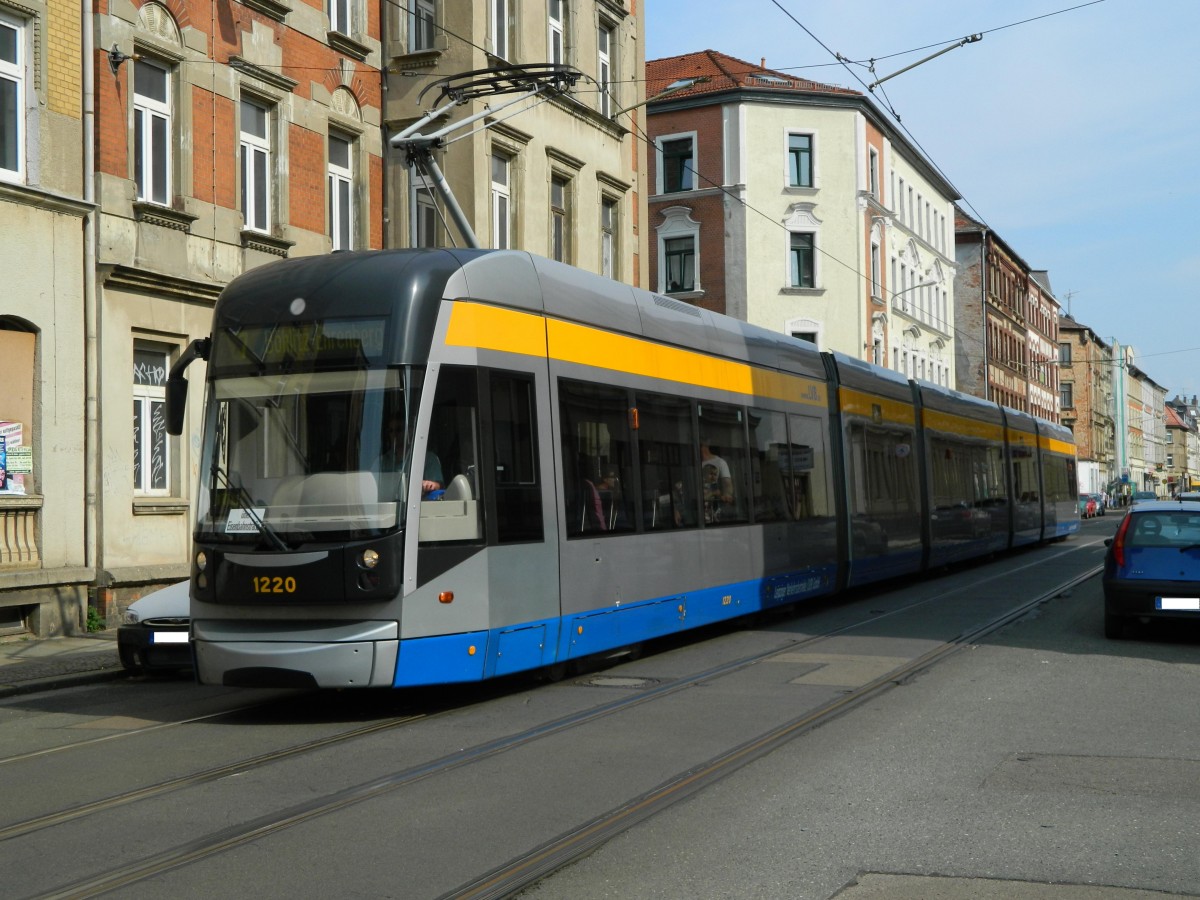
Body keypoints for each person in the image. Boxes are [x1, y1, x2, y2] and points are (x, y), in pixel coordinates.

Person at [700, 441, 733, 522]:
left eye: (715, 474)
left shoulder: (720, 462)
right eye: (711, 474)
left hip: (714, 515)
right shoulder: (691, 463)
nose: (713, 477)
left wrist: (727, 495)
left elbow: (727, 484)